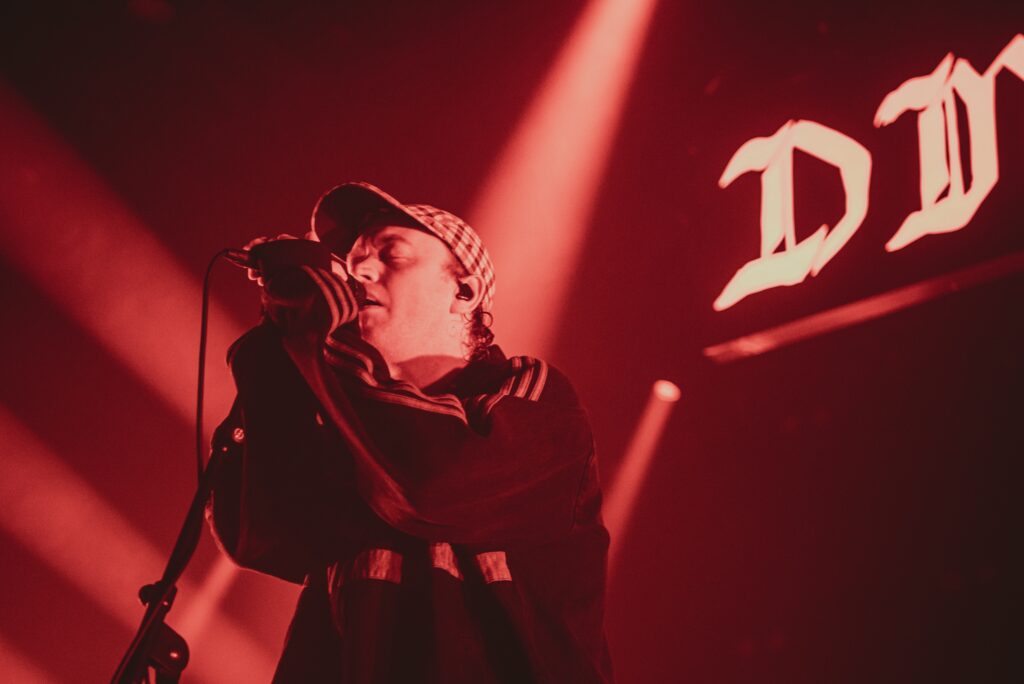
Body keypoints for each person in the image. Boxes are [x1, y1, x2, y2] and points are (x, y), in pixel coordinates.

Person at [207, 181, 613, 683]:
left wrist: (323, 337)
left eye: (391, 255)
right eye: (352, 262)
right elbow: (260, 535)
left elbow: (433, 482)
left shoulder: (534, 399)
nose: (359, 272)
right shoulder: (352, 423)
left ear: (464, 292)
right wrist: (276, 351)